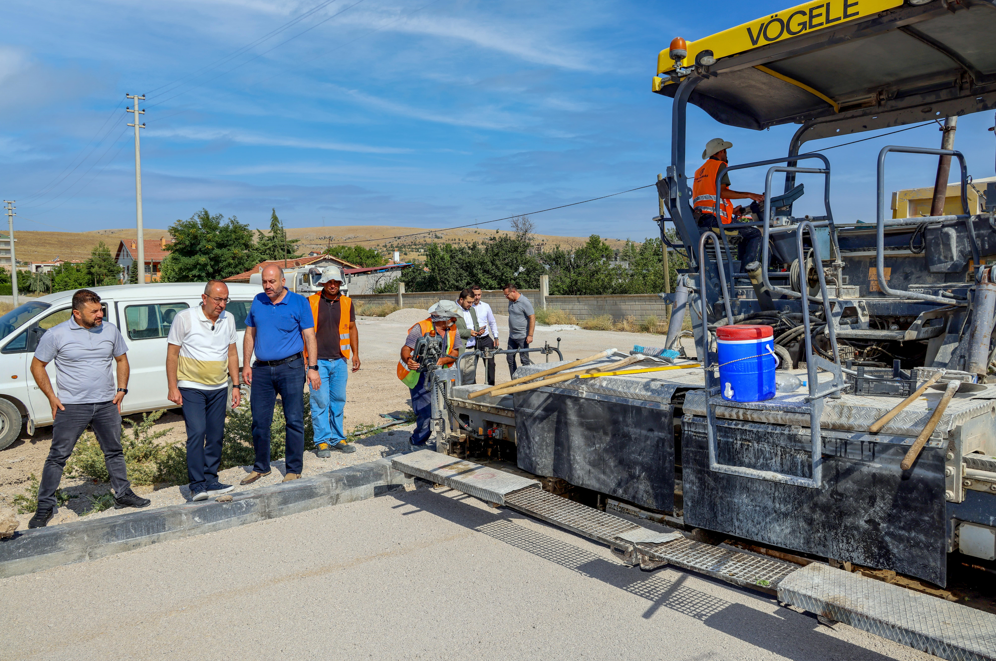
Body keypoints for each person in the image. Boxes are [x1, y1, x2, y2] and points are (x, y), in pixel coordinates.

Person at [28, 289, 150, 528]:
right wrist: (52, 397)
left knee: (114, 451)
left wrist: (122, 390)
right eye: (93, 311)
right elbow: (37, 366)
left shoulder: (110, 330)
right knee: (58, 456)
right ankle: (45, 505)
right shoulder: (56, 334)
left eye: (100, 309)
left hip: (106, 404)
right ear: (76, 313)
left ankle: (123, 494)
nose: (100, 314)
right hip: (72, 406)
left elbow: (122, 359)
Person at [241, 265, 321, 485]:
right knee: (259, 421)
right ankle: (261, 467)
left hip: (291, 368)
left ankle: (293, 469)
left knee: (294, 419)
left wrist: (312, 368)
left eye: (272, 282)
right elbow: (250, 333)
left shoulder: (299, 302)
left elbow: (310, 336)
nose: (267, 286)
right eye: (265, 282)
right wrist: (245, 365)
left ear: (283, 281)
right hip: (262, 369)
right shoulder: (258, 301)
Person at [166, 280, 242, 501]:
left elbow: (233, 354)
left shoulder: (229, 319)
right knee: (197, 433)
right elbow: (172, 354)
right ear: (204, 298)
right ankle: (197, 485)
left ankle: (211, 480)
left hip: (219, 387)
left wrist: (235, 385)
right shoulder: (185, 318)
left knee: (216, 435)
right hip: (192, 387)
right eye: (218, 299)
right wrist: (173, 386)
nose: (222, 304)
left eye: (225, 299)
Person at [307, 266, 359, 458]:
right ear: (323, 283)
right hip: (317, 362)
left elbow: (352, 329)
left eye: (336, 282)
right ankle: (322, 441)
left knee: (338, 401)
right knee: (320, 401)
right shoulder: (311, 302)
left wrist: (355, 354)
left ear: (339, 283)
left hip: (339, 360)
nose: (333, 285)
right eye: (329, 282)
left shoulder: (347, 303)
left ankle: (338, 439)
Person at [693, 138, 766, 273]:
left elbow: (709, 198)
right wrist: (750, 195)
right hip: (715, 221)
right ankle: (747, 277)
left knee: (743, 233)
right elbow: (723, 192)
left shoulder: (699, 171)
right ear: (720, 151)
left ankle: (740, 273)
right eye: (725, 151)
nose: (726, 155)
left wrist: (732, 211)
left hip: (702, 220)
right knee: (755, 234)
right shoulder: (719, 165)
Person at [397, 300, 460, 451]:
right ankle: (417, 442)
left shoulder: (453, 329)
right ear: (443, 318)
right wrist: (409, 360)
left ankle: (446, 442)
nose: (455, 320)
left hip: (441, 374)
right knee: (426, 412)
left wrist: (444, 359)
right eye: (452, 318)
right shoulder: (421, 327)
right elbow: (406, 348)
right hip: (420, 376)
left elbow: (455, 352)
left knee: (448, 410)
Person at [502, 284, 535, 378]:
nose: (506, 297)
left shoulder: (525, 302)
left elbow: (532, 317)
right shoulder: (511, 301)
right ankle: (514, 380)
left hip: (523, 337)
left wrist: (530, 335)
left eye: (507, 295)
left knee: (524, 360)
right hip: (512, 336)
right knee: (510, 359)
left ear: (513, 292)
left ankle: (526, 382)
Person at [471, 285, 498, 386]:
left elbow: (492, 322)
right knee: (472, 365)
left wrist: (496, 336)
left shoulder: (486, 306)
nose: (477, 297)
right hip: (473, 340)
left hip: (486, 339)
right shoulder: (467, 307)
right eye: (475, 295)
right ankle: (472, 386)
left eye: (479, 295)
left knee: (490, 364)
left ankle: (490, 386)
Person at [454, 288, 481, 385]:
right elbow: (450, 331)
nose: (471, 304)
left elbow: (476, 324)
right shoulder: (453, 310)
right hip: (460, 350)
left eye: (472, 302)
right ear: (461, 299)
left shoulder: (472, 310)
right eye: (469, 302)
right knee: (458, 378)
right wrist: (468, 333)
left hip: (472, 349)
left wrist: (478, 330)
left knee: (470, 378)